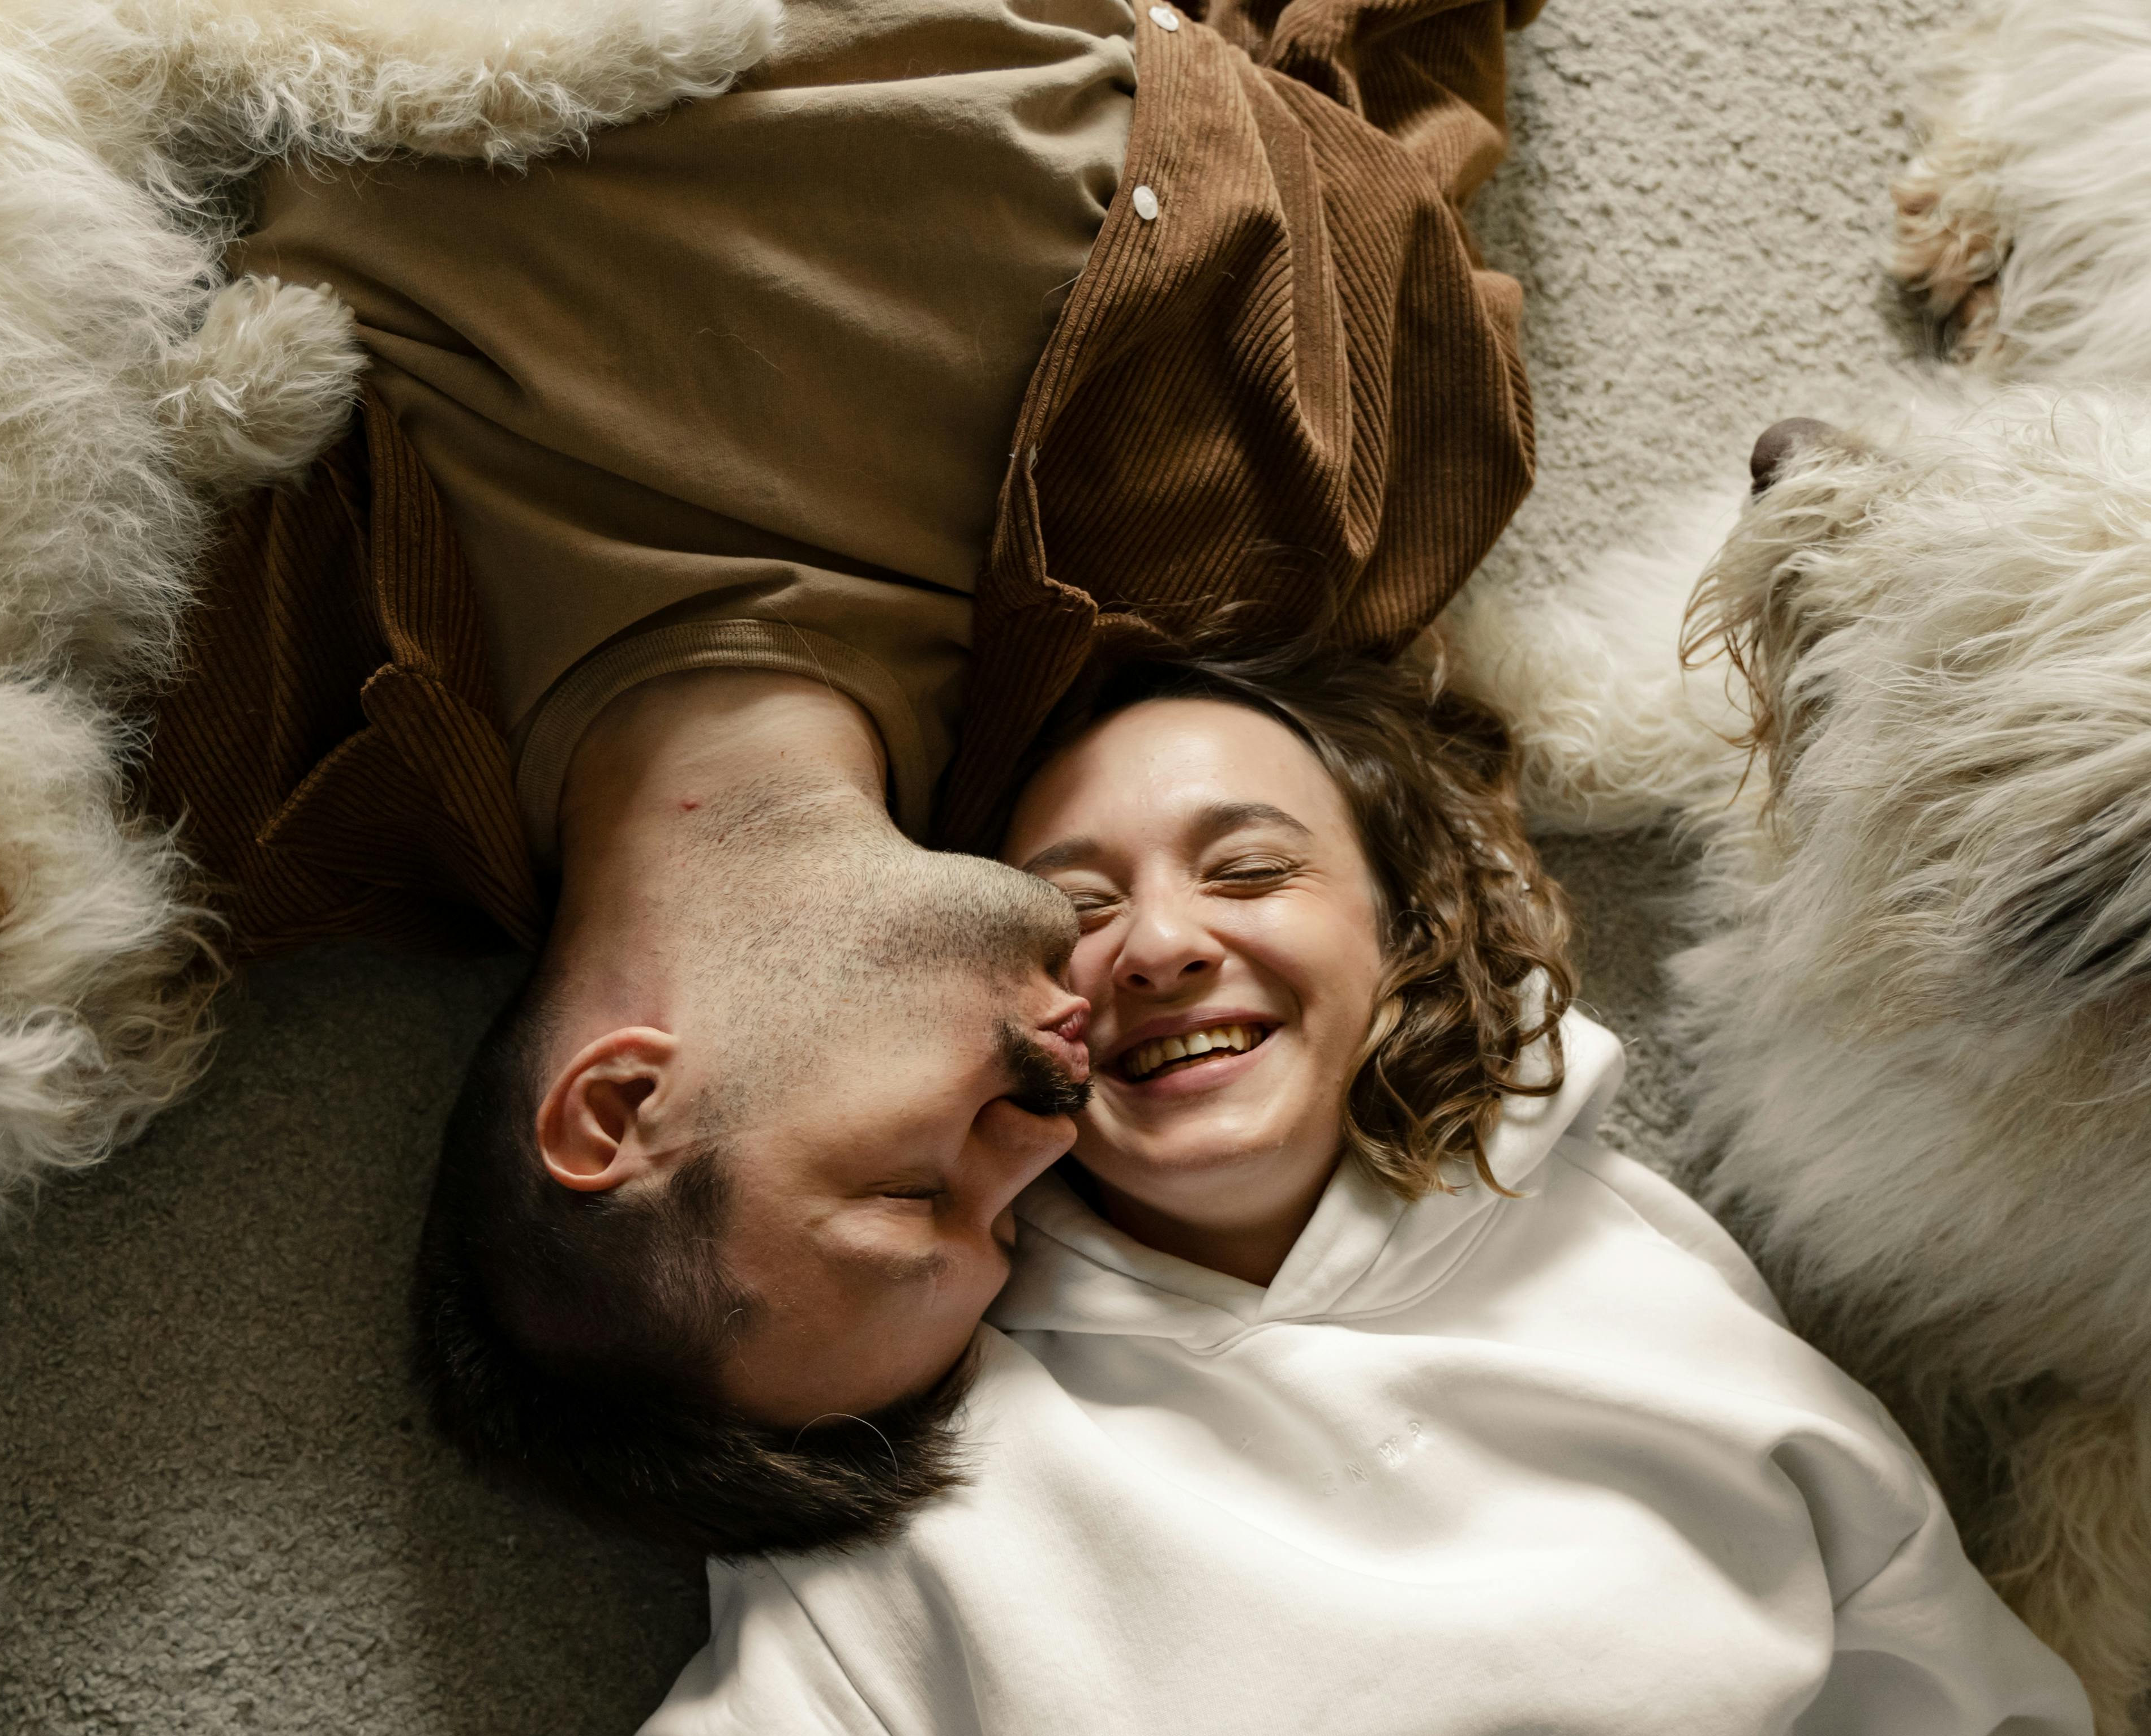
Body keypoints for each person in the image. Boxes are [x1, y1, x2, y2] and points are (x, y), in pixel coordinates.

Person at [541, 662, 2151, 1736]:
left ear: (1394, 929)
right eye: (1076, 910)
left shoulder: (1628, 1277)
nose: (1164, 943)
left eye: (1248, 867)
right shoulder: (916, 1470)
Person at [130, 0, 1544, 1519]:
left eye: (914, 1194)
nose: (1040, 1143)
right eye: (1006, 1217)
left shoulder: (225, 717)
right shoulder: (1266, 545)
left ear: (617, 1106)